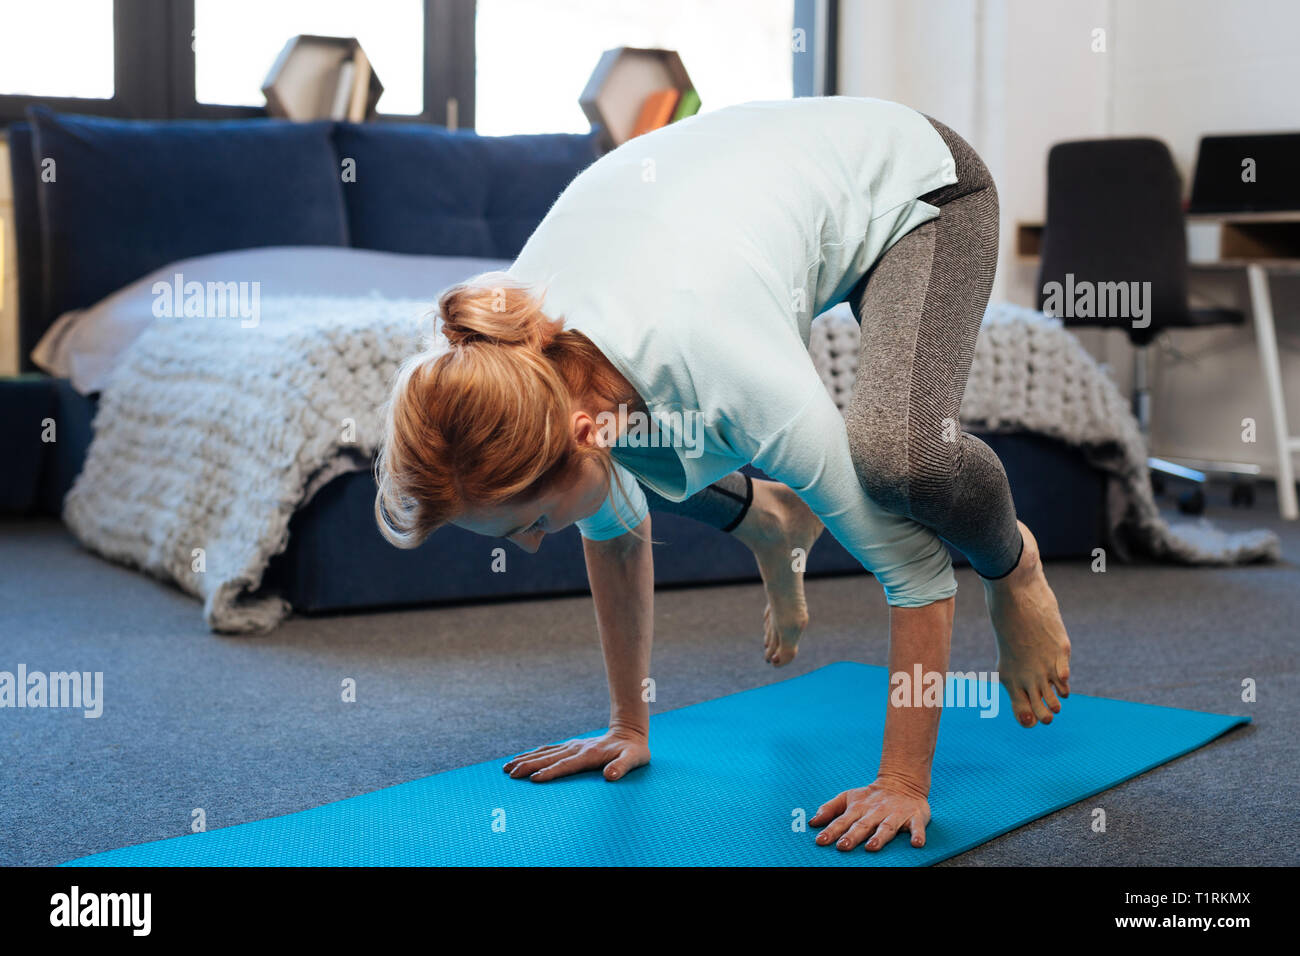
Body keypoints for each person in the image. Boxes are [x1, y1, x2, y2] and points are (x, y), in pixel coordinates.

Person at [375, 96, 1072, 853]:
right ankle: (771, 519)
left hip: (922, 189)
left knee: (900, 462)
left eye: (532, 523)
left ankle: (1016, 562)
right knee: (624, 448)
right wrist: (628, 725)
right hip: (725, 230)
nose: (537, 543)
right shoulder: (525, 368)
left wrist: (901, 783)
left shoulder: (726, 364)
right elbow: (611, 529)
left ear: (577, 435)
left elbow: (918, 576)